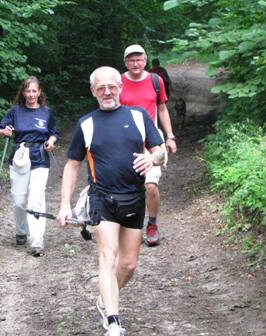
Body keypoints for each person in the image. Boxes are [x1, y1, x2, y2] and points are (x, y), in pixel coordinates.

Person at [57, 66, 167, 336]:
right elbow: (72, 165)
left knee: (128, 264)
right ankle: (114, 321)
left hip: (134, 198)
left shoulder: (139, 117)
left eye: (112, 86)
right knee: (108, 257)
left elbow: (161, 151)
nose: (107, 91)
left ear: (121, 87)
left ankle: (105, 300)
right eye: (100, 87)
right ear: (93, 91)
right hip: (102, 198)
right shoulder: (87, 123)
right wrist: (64, 204)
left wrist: (152, 158)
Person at [120, 44, 177, 247]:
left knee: (150, 186)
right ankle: (126, 228)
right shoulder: (118, 82)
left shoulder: (155, 80)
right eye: (131, 59)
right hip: (124, 142)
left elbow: (162, 109)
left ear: (145, 60)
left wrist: (169, 136)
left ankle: (152, 225)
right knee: (127, 187)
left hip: (151, 141)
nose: (136, 63)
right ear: (125, 62)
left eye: (139, 59)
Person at [0, 76, 59, 257]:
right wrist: (5, 131)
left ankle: (37, 241)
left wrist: (51, 141)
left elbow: (54, 132)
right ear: (23, 93)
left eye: (34, 91)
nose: (31, 95)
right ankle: (21, 230)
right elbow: (0, 130)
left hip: (40, 158)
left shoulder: (46, 113)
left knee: (36, 199)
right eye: (28, 91)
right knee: (19, 201)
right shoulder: (15, 111)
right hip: (20, 158)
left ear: (39, 92)